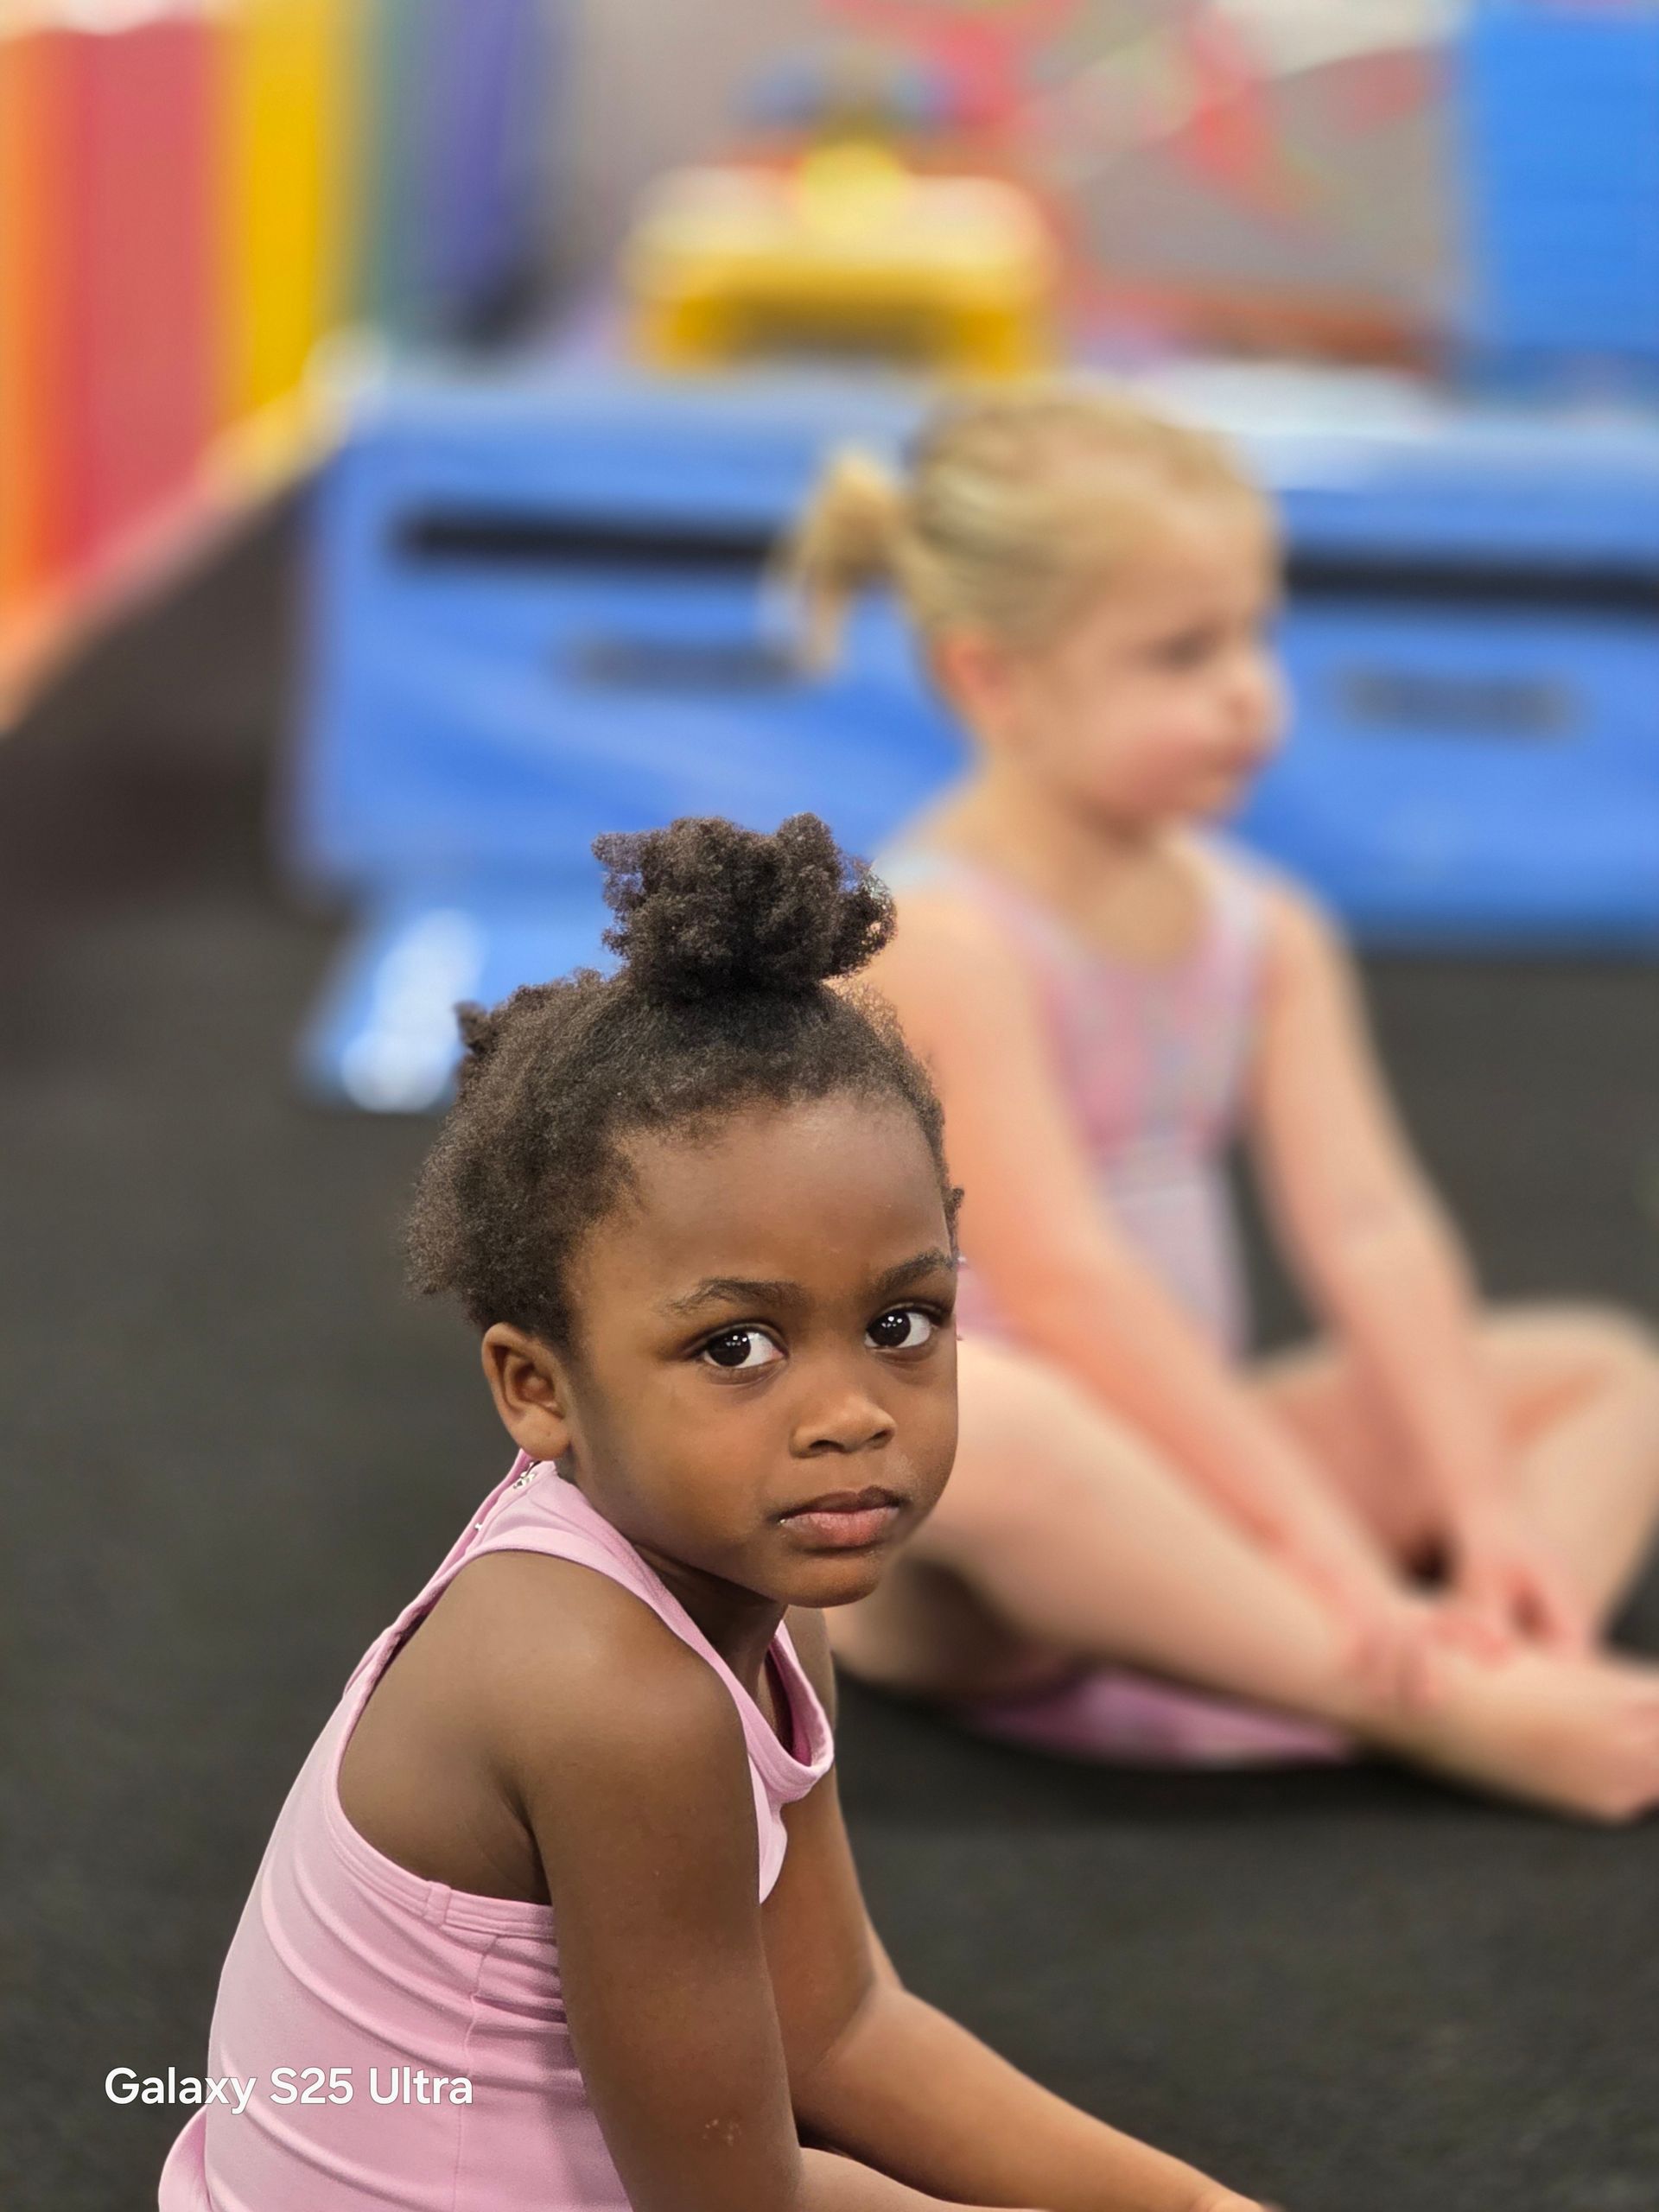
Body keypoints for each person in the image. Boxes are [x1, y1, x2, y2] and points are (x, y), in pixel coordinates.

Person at [159, 815, 1270, 2212]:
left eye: (902, 1320)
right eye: (737, 1347)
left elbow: (837, 2028)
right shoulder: (613, 1697)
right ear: (535, 1388)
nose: (850, 1412)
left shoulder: (764, 1591)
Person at [785, 387, 1659, 1821]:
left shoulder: (1267, 929)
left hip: (1188, 1470)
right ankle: (1426, 1695)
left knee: (1599, 1374)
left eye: (1255, 634)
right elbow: (1062, 1283)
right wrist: (1312, 1533)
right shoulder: (946, 935)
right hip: (974, 1556)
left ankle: (1502, 1629)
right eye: (1183, 654)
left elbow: (1370, 1226)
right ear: (994, 681)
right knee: (982, 1414)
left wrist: (1483, 1502)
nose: (1252, 690)